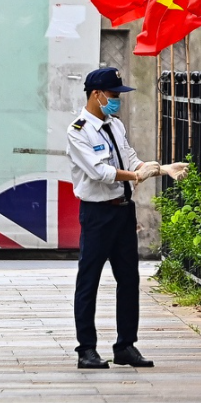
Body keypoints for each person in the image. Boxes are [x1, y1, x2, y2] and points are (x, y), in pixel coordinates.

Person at [66, 67, 187, 370]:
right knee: (89, 281)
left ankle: (125, 346)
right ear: (97, 95)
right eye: (113, 94)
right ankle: (87, 350)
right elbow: (100, 172)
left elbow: (132, 159)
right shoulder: (79, 131)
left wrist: (161, 167)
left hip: (122, 210)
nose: (117, 99)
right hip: (97, 213)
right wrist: (136, 174)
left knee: (129, 280)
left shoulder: (115, 126)